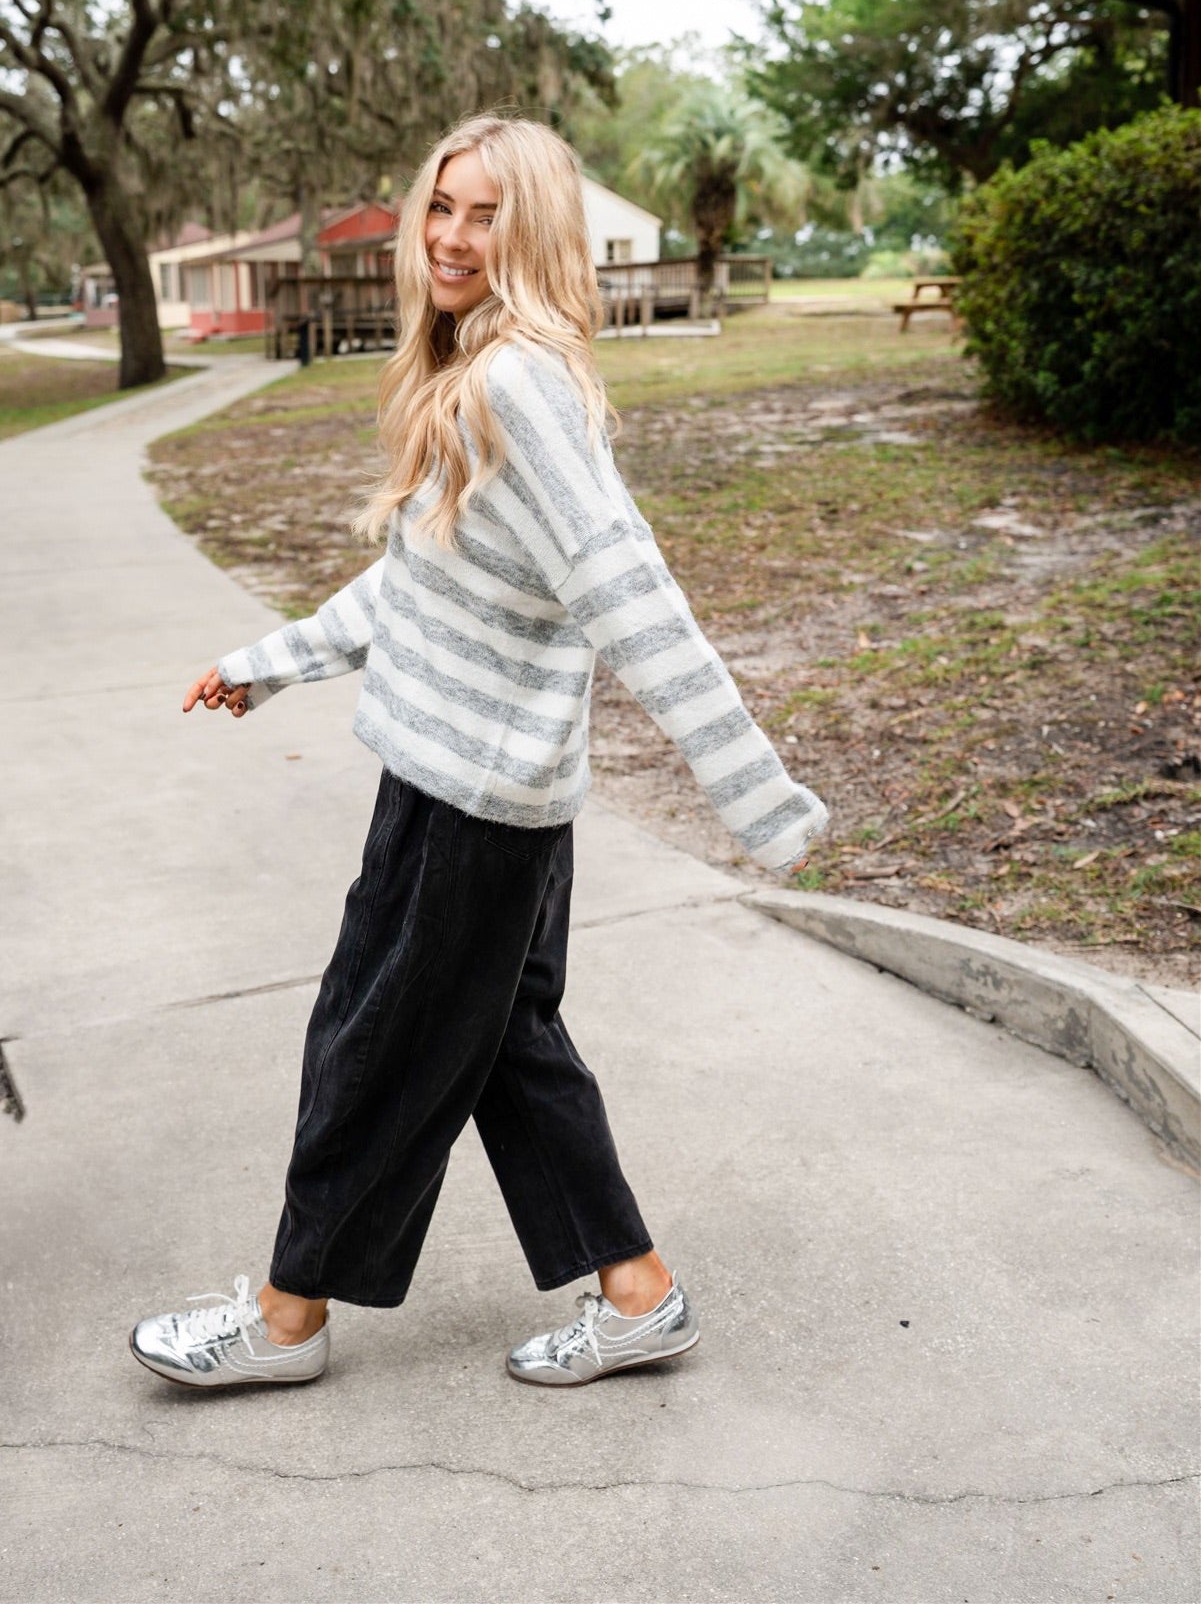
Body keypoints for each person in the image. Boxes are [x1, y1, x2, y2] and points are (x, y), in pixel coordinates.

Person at [129, 114, 829, 1393]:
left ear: (538, 228)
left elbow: (630, 589)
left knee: (371, 1040)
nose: (450, 235)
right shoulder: (487, 372)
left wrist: (752, 793)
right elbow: (425, 578)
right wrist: (270, 661)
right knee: (507, 1044)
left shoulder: (515, 383)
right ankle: (638, 1293)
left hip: (473, 800)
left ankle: (286, 1319)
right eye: (440, 205)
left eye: (484, 212)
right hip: (482, 783)